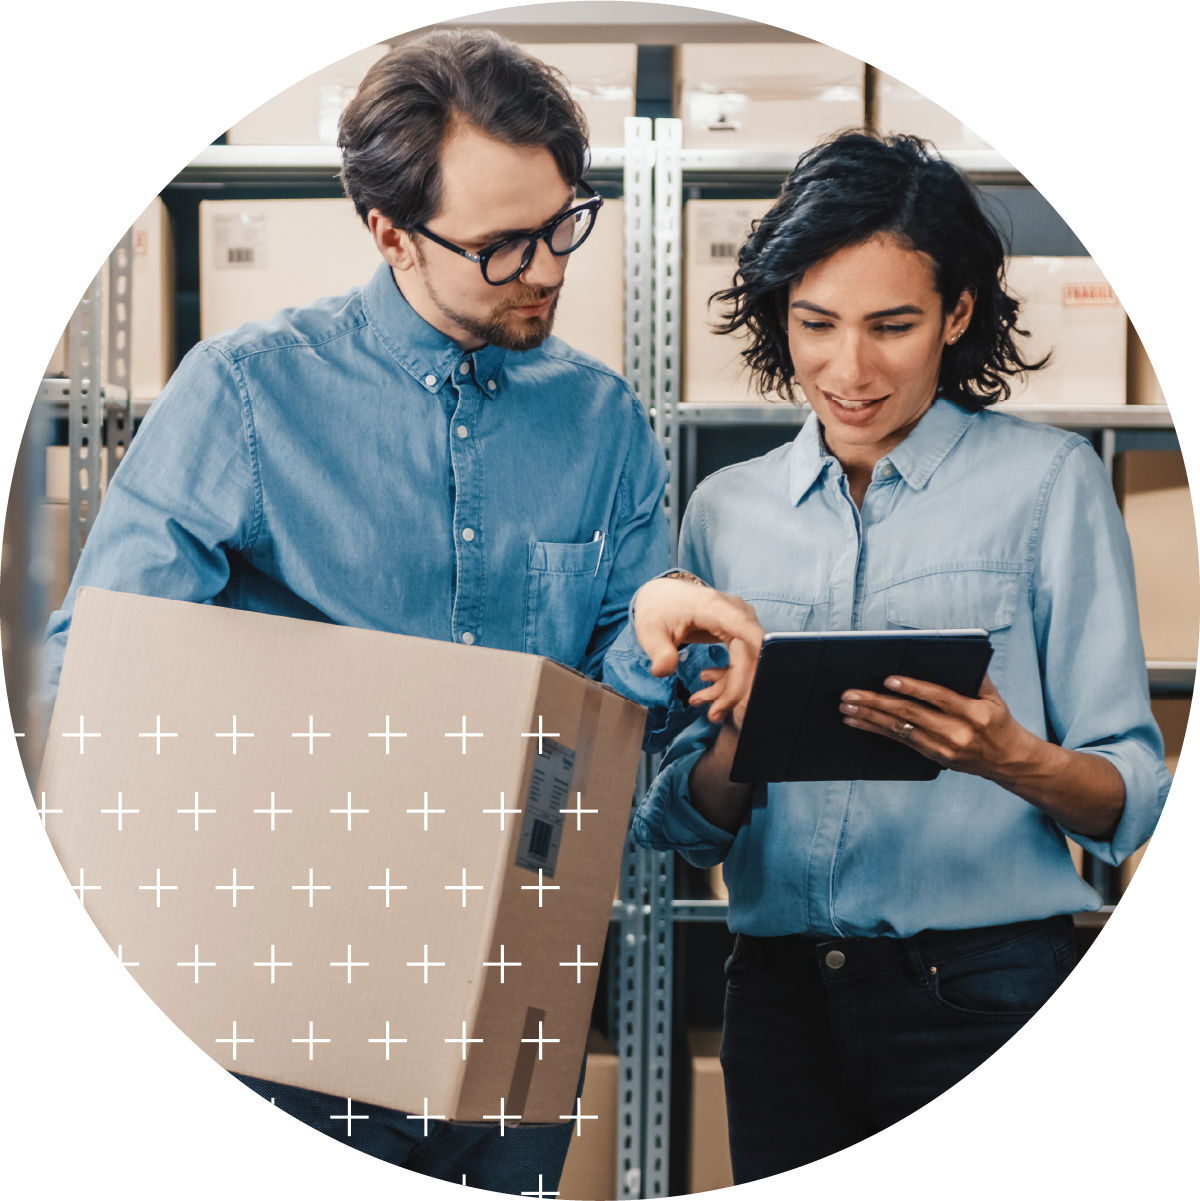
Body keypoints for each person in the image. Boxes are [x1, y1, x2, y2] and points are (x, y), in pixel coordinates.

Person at [38, 28, 758, 1193]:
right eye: (501, 244)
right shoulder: (247, 395)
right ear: (388, 232)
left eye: (564, 221)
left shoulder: (604, 426)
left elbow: (621, 765)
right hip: (279, 1007)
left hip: (513, 1008)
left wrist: (650, 650)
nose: (547, 268)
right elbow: (105, 690)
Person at [621, 131, 1172, 1180]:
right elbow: (685, 828)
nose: (850, 369)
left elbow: (1132, 798)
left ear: (956, 314)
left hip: (983, 993)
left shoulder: (1051, 487)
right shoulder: (724, 513)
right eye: (816, 324)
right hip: (777, 998)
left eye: (893, 325)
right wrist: (745, 727)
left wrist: (1009, 754)